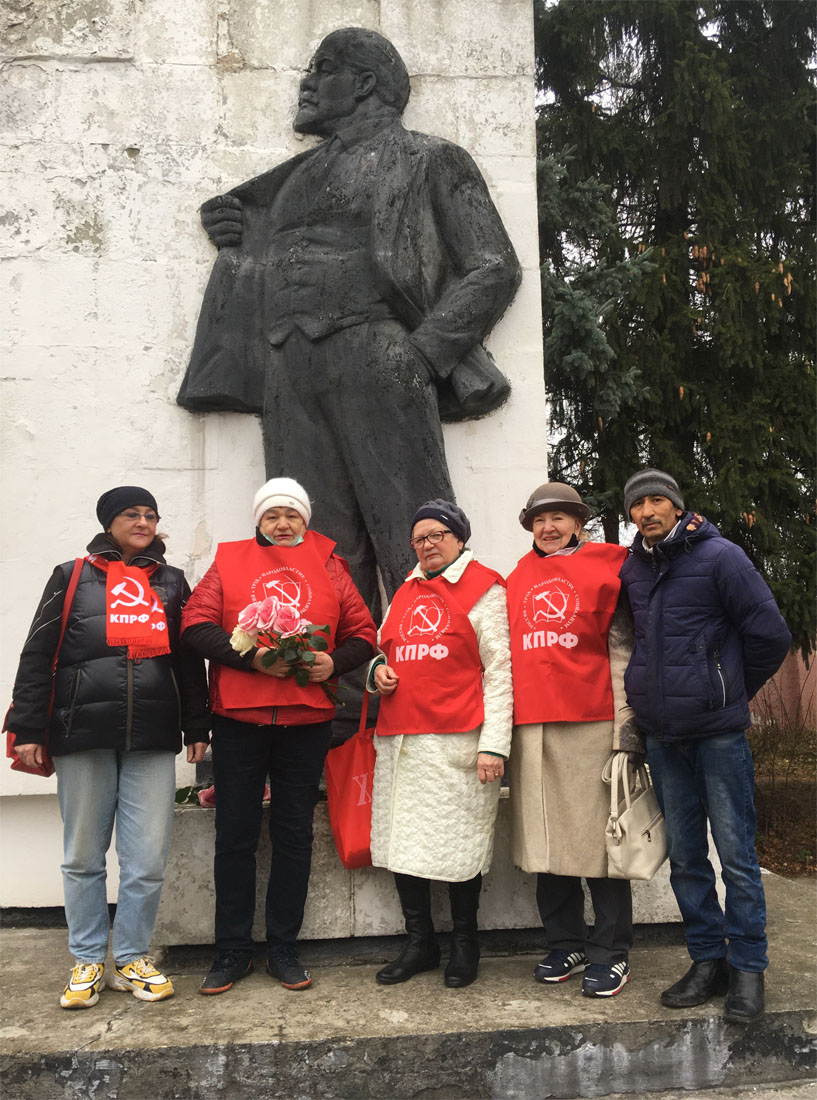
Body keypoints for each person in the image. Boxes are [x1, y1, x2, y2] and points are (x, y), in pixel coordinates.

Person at [177, 27, 521, 615]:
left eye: (323, 69)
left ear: (363, 83)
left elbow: (493, 265)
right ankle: (342, 674)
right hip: (287, 368)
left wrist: (424, 352)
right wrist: (235, 233)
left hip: (378, 355)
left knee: (412, 527)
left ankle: (432, 654)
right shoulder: (294, 177)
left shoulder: (430, 159)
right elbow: (262, 246)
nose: (307, 82)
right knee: (317, 545)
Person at [7, 487, 210, 1008]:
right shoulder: (72, 575)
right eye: (131, 514)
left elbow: (188, 662)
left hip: (152, 735)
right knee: (82, 856)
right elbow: (38, 652)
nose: (142, 522)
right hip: (81, 732)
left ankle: (133, 957)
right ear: (108, 522)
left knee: (146, 859)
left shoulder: (171, 581)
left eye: (150, 515)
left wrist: (197, 727)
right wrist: (27, 728)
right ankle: (88, 960)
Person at [181, 477, 376, 994]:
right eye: (272, 515)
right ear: (258, 520)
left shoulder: (330, 565)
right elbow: (196, 624)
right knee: (235, 835)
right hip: (238, 721)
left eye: (292, 514)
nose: (283, 523)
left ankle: (284, 948)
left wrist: (334, 662)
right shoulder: (228, 562)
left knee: (293, 836)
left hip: (306, 724)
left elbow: (364, 632)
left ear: (305, 520)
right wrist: (253, 657)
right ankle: (232, 951)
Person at [619, 468, 791, 1024]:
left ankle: (748, 968)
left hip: (718, 735)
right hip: (663, 737)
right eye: (637, 505)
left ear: (676, 505)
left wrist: (727, 692)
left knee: (736, 857)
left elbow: (770, 635)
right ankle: (707, 960)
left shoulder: (721, 557)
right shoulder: (634, 567)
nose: (646, 512)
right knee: (687, 858)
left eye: (656, 501)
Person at [368, 499, 512, 988]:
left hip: (456, 740)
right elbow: (383, 649)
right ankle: (420, 942)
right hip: (401, 742)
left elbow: (500, 671)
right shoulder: (406, 590)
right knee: (403, 844)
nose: (427, 545)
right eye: (419, 538)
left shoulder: (484, 588)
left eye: (436, 535)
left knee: (458, 845)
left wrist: (494, 745)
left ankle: (465, 943)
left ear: (458, 538)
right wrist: (378, 672)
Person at [506, 482, 642, 998]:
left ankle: (611, 951)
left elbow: (623, 651)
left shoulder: (608, 569)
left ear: (578, 523)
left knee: (599, 846)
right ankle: (565, 941)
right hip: (532, 726)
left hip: (591, 721)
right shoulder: (516, 578)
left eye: (559, 518)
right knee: (546, 842)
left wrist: (626, 728)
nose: (549, 527)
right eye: (540, 520)